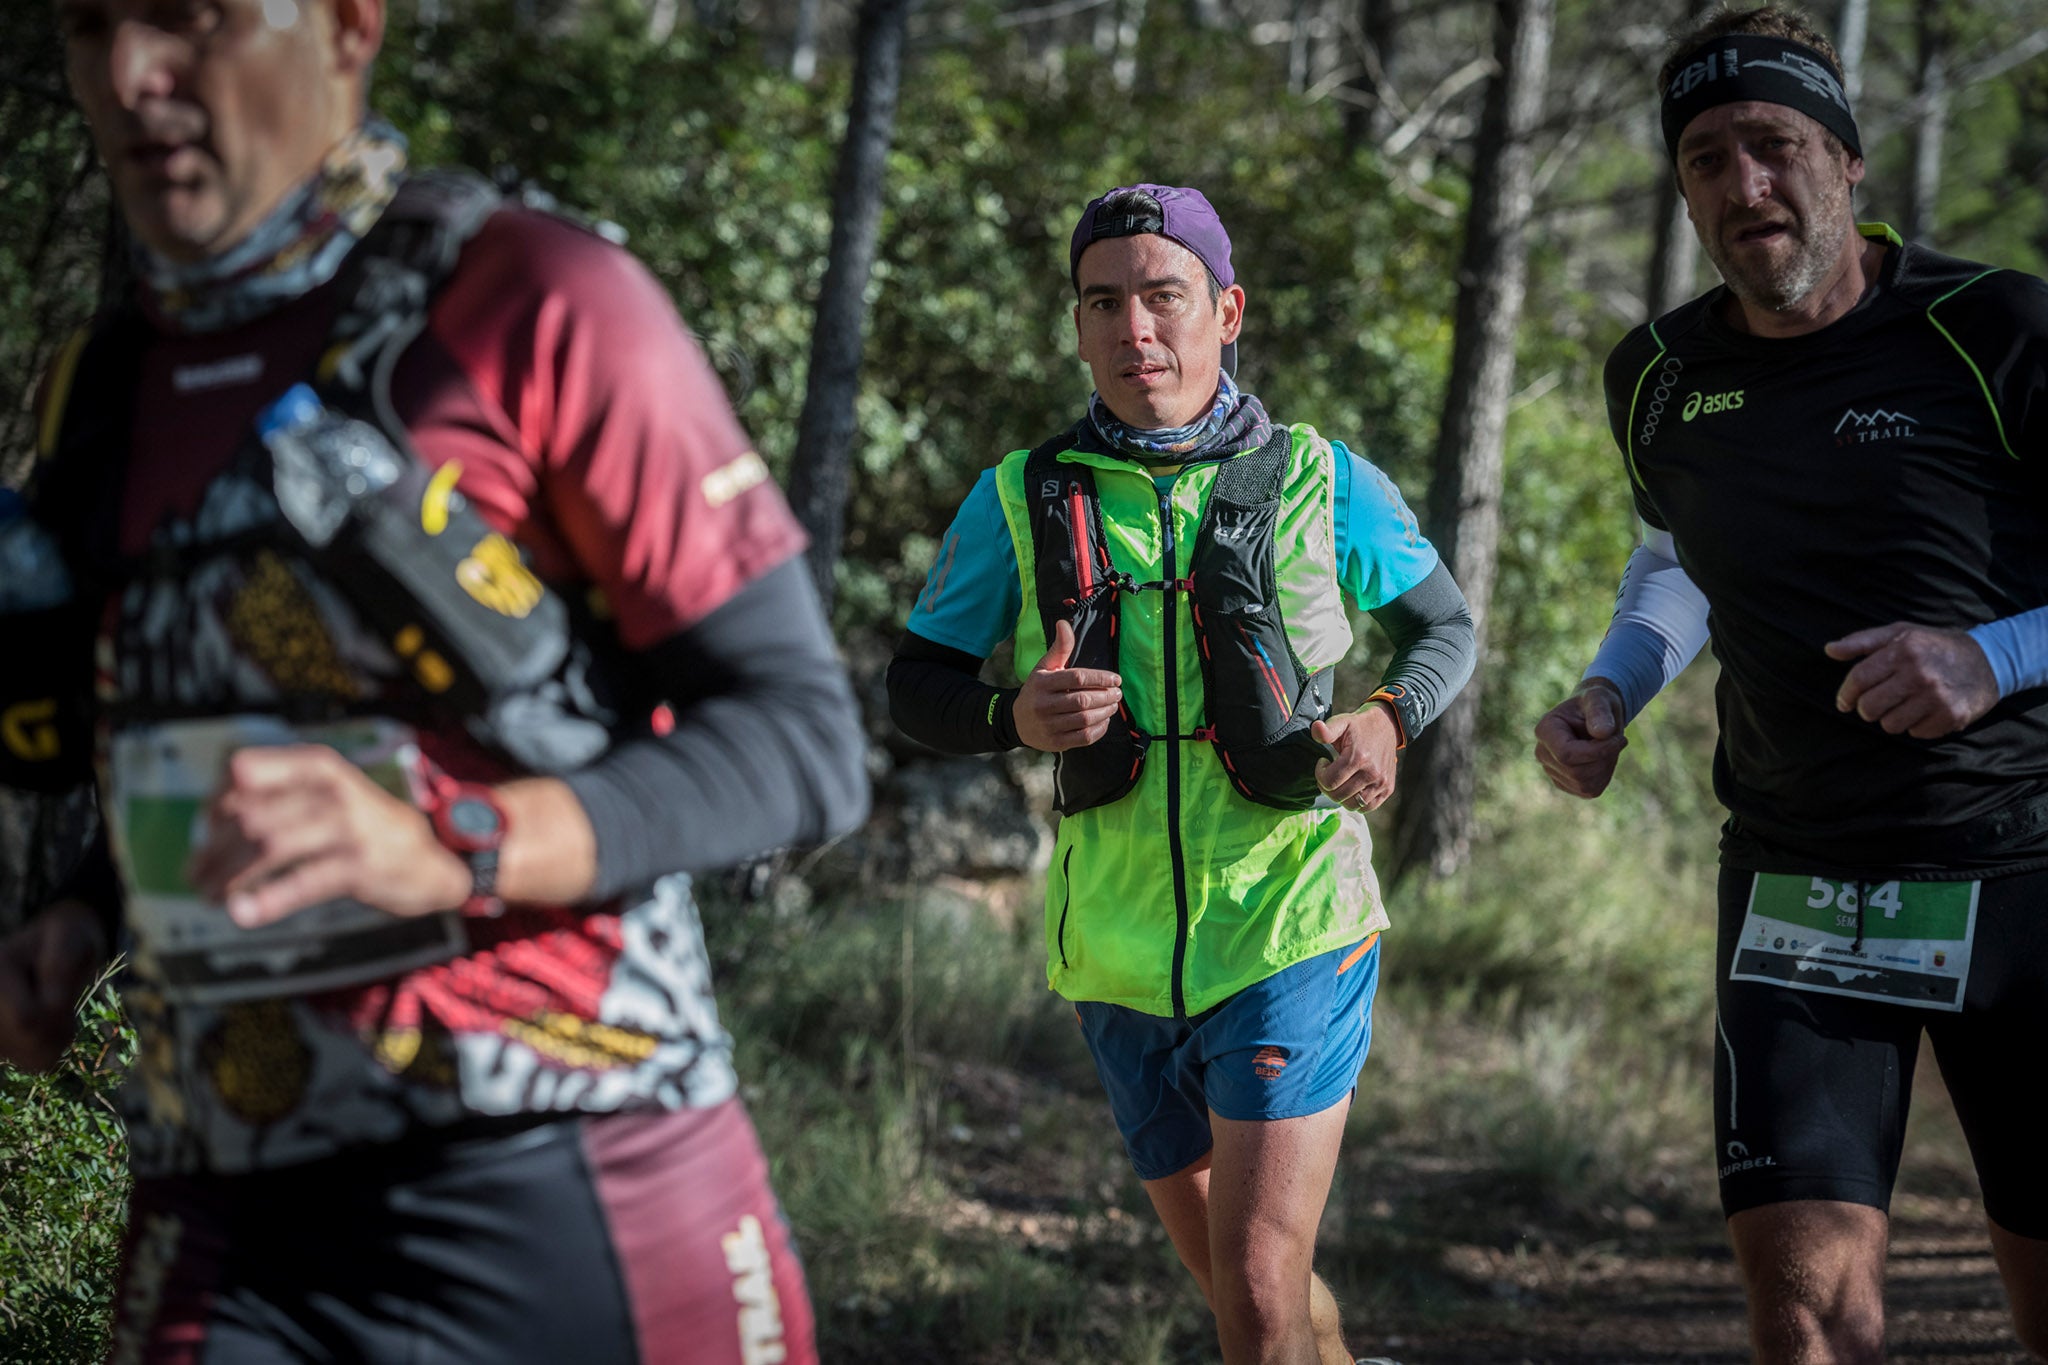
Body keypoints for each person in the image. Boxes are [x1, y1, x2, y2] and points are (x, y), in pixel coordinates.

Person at [0, 0, 869, 1358]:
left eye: (191, 18)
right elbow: (212, 748)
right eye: (90, 25)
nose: (129, 76)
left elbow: (803, 740)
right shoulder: (104, 387)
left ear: (350, 25)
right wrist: (82, 914)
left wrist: (455, 843)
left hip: (573, 1175)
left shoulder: (536, 299)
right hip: (221, 1200)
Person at [1534, 6, 2048, 1359]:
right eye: (1706, 157)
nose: (1742, 185)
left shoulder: (1995, 329)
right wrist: (1613, 689)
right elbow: (1674, 561)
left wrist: (1989, 658)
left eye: (1773, 143)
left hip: (2025, 868)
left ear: (1845, 159)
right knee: (1807, 1326)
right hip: (1800, 881)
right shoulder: (1655, 376)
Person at [888, 183, 1475, 1365]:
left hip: (1289, 923)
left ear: (1226, 311)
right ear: (1076, 325)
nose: (1132, 328)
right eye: (1101, 302)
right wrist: (1015, 714)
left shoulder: (1322, 476)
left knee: (1256, 1289)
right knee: (1241, 1285)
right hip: (1112, 947)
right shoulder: (1023, 493)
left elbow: (1444, 632)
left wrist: (1384, 720)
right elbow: (917, 689)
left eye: (1162, 296)